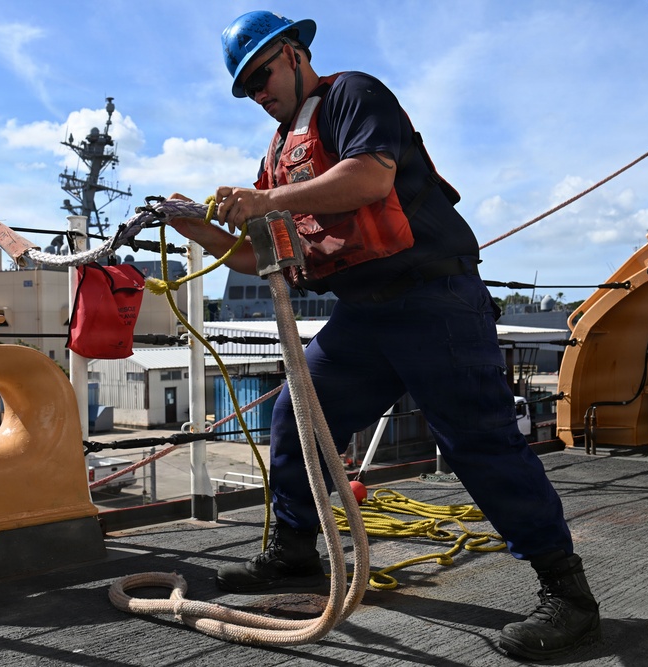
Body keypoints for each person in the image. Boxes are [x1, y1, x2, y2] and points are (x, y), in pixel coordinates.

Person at [166, 10, 600, 660]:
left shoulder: (352, 94)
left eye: (262, 76)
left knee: (479, 442)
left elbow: (371, 176)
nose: (258, 94)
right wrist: (194, 226)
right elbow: (260, 256)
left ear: (293, 53)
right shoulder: (280, 154)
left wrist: (264, 202)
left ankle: (569, 595)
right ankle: (294, 551)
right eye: (246, 88)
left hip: (433, 299)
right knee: (298, 416)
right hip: (364, 313)